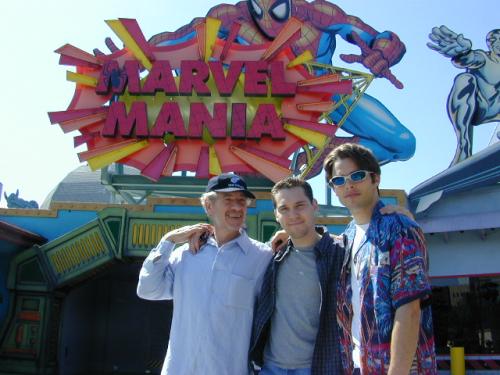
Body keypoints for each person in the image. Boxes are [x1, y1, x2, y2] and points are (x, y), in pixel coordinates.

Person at [137, 173, 272, 375]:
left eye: (241, 201)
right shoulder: (185, 254)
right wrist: (168, 241)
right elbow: (148, 290)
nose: (237, 207)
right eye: (228, 200)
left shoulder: (262, 257)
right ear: (209, 206)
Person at [322, 143, 437, 374]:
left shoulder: (400, 228)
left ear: (376, 178)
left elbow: (410, 310)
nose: (349, 184)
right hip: (357, 366)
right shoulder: (348, 237)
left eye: (357, 175)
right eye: (339, 180)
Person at [250, 177, 345, 374]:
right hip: (270, 367)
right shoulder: (273, 256)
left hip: (318, 367)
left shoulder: (340, 254)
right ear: (276, 215)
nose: (293, 214)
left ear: (314, 206)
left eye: (300, 205)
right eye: (284, 208)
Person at [427, 26, 500, 165]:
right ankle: (463, 146)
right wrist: (462, 53)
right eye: (493, 40)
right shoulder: (484, 58)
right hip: (482, 107)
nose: (497, 43)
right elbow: (469, 59)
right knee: (464, 79)